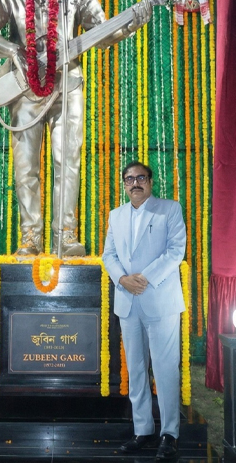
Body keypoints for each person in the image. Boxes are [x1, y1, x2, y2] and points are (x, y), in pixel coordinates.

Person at [0, 0, 150, 256]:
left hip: (68, 85)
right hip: (25, 89)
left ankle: (65, 237)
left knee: (67, 161)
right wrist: (12, 50)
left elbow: (101, 33)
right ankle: (30, 239)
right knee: (26, 167)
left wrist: (128, 25)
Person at [102, 162, 186, 461]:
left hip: (160, 299)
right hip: (127, 299)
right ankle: (143, 430)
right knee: (136, 369)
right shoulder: (116, 215)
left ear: (150, 181)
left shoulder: (169, 209)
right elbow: (108, 254)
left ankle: (170, 434)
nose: (134, 183)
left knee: (165, 369)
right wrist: (122, 279)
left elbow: (176, 251)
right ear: (124, 184)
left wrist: (144, 279)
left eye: (140, 178)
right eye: (129, 179)